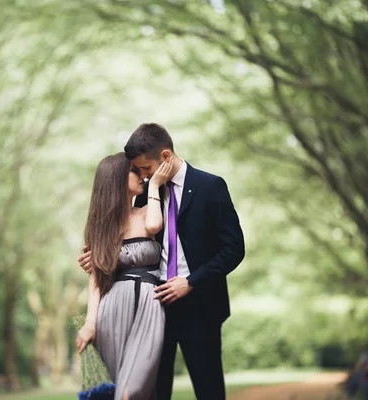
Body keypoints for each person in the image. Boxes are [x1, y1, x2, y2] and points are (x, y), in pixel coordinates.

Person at [78, 123, 245, 399]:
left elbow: (233, 249)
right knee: (155, 390)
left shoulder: (210, 186)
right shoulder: (145, 193)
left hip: (200, 305)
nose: (142, 177)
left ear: (165, 157)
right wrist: (95, 256)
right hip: (152, 306)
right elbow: (123, 236)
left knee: (209, 389)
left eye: (145, 169)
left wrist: (190, 282)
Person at [75, 152, 173, 400]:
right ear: (116, 178)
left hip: (149, 305)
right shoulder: (99, 226)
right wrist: (90, 323)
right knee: (115, 388)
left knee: (132, 391)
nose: (142, 175)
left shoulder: (146, 213)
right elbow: (96, 280)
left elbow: (153, 227)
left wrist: (155, 185)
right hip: (112, 309)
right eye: (135, 171)